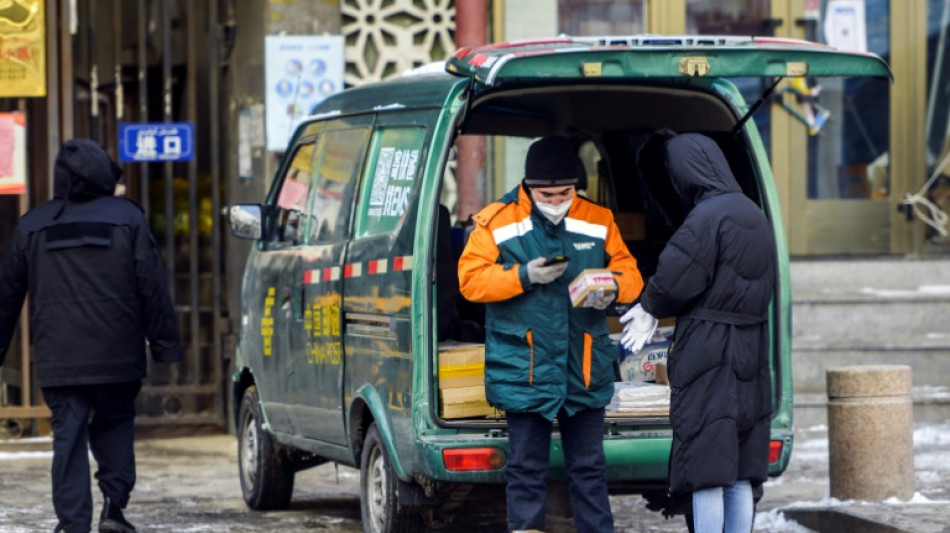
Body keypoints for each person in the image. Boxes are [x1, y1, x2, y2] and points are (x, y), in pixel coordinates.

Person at [458, 135, 643, 533]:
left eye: (565, 193)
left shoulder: (598, 219)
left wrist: (612, 286)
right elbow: (470, 281)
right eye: (548, 194)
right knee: (526, 470)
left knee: (590, 471)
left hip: (584, 365)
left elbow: (632, 276)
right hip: (525, 365)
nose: (557, 201)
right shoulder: (497, 221)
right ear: (528, 186)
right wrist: (523, 275)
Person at [0, 139, 183, 533]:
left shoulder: (33, 223)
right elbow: (151, 284)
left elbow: (6, 296)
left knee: (68, 436)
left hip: (60, 357)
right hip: (118, 354)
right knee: (115, 424)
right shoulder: (127, 218)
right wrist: (166, 344)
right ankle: (114, 510)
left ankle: (72, 524)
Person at [620, 133, 776, 533]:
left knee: (706, 466)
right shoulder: (754, 213)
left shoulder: (706, 217)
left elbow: (676, 275)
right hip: (752, 346)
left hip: (710, 349)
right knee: (740, 467)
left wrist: (648, 307)